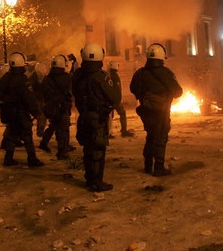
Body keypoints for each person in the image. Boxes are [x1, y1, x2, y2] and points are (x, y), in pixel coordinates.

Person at [72, 43, 120, 192]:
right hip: (97, 118)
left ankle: (90, 178)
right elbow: (114, 97)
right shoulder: (100, 77)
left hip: (84, 116)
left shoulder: (77, 76)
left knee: (88, 148)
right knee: (98, 150)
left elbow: (75, 93)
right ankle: (96, 182)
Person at [129, 43, 183, 176]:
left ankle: (148, 165)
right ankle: (158, 167)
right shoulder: (166, 73)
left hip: (146, 112)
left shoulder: (140, 73)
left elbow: (133, 88)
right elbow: (178, 92)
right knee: (161, 137)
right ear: (162, 57)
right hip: (162, 112)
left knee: (150, 136)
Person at [0, 52, 45, 167]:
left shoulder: (4, 79)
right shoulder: (22, 80)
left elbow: (1, 94)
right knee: (27, 135)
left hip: (9, 112)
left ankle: (8, 159)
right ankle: (32, 159)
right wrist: (36, 112)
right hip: (20, 112)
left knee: (12, 135)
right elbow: (29, 97)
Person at [38, 54, 74, 159]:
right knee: (63, 129)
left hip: (51, 108)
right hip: (62, 107)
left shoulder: (47, 79)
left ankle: (44, 143)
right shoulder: (66, 77)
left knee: (53, 126)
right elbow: (69, 91)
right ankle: (62, 151)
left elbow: (43, 92)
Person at [107, 60, 134, 138]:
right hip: (116, 100)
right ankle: (124, 131)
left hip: (109, 100)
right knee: (122, 114)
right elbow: (117, 90)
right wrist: (118, 100)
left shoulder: (107, 76)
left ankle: (107, 133)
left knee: (109, 117)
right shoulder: (115, 77)